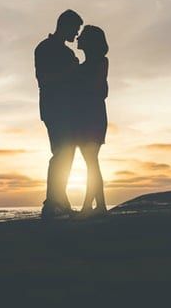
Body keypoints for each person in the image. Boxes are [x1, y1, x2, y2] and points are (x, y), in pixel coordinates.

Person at [34, 9, 82, 219]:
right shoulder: (44, 48)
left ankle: (60, 200)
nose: (77, 34)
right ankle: (52, 202)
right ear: (65, 25)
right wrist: (71, 71)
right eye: (75, 29)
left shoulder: (68, 53)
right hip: (55, 109)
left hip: (68, 110)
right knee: (60, 153)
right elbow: (44, 79)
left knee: (67, 154)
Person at [73, 25, 109, 218]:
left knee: (91, 162)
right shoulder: (84, 66)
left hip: (93, 118)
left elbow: (101, 91)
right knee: (91, 162)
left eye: (82, 36)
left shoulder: (100, 63)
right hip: (86, 118)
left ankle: (91, 206)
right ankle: (99, 205)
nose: (78, 38)